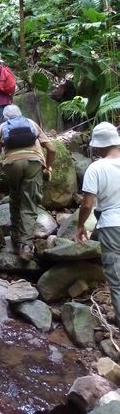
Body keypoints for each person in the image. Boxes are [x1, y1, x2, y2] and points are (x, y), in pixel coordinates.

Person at [0, 104, 55, 261]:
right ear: (21, 114)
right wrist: (48, 168)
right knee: (29, 203)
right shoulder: (31, 123)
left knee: (15, 196)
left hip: (12, 164)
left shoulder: (2, 127)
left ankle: (15, 235)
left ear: (5, 118)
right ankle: (26, 246)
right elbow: (52, 149)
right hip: (34, 162)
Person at [76, 122, 120, 325]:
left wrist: (80, 225)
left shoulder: (96, 168)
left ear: (100, 146)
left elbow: (87, 205)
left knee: (116, 278)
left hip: (112, 225)